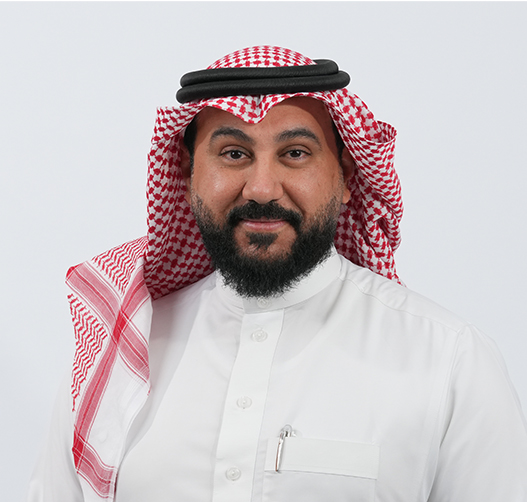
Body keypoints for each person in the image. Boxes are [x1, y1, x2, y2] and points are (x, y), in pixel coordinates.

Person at [28, 46, 527, 502]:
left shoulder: (449, 361)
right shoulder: (119, 351)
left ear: (347, 176)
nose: (262, 188)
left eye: (295, 154)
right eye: (234, 154)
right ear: (187, 174)